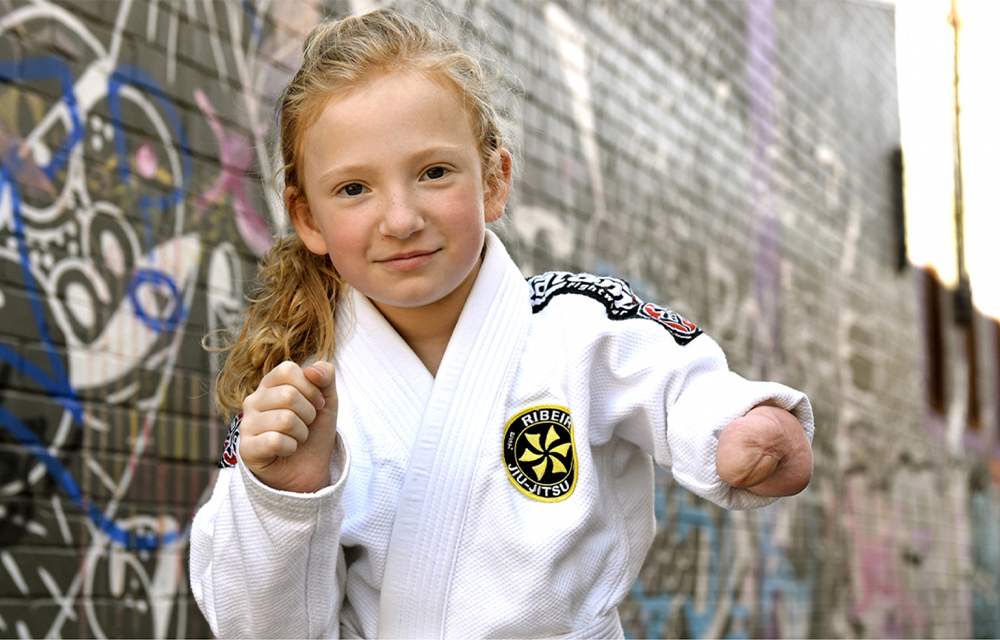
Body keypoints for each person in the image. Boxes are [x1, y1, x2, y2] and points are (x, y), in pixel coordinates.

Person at [190, 8, 814, 639]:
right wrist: (286, 498)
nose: (401, 218)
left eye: (434, 173)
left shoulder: (576, 322)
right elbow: (258, 628)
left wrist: (739, 426)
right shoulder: (293, 397)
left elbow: (681, 385)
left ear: (494, 180)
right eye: (354, 189)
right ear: (308, 219)